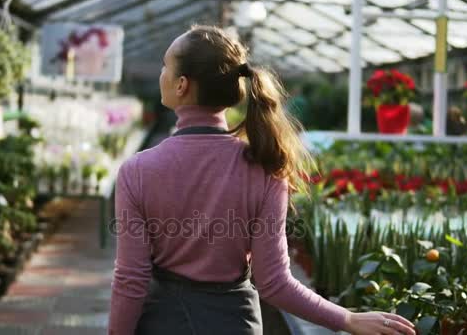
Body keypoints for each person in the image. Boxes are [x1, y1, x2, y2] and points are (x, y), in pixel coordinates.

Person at [108, 25, 415, 335]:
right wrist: (347, 319)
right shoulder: (264, 168)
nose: (162, 73)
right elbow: (274, 283)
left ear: (182, 85)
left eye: (166, 66)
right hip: (236, 324)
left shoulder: (138, 170)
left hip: (164, 323)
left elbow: (131, 279)